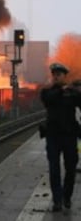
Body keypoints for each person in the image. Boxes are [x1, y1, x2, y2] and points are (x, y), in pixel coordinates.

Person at [40, 62, 81, 212]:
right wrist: (60, 90)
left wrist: (76, 90)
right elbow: (48, 100)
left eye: (59, 74)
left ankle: (67, 197)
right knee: (54, 169)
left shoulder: (72, 92)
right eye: (54, 74)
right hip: (53, 136)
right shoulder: (48, 91)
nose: (56, 77)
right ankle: (57, 200)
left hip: (69, 136)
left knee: (70, 168)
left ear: (65, 76)